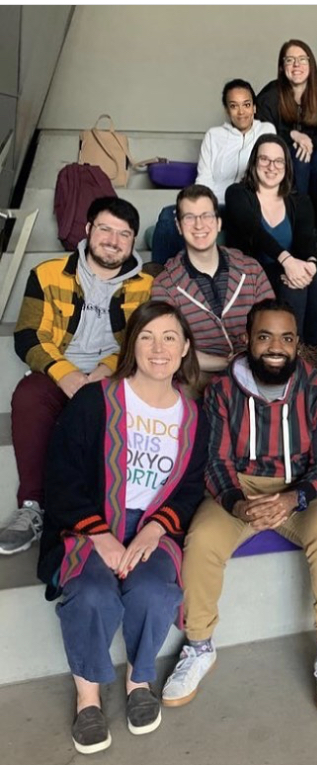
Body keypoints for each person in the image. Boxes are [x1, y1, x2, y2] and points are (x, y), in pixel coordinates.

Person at [160, 299, 317, 718]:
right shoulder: (223, 390)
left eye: (286, 338)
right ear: (247, 339)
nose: (275, 347)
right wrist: (237, 503)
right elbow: (215, 461)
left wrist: (293, 498)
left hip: (303, 489)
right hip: (241, 485)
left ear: (298, 343)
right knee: (203, 539)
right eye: (265, 336)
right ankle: (199, 646)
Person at [38, 300, 209, 754]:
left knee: (155, 591)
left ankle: (138, 681)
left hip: (153, 528)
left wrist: (155, 530)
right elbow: (61, 476)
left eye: (170, 337)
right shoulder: (96, 401)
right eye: (147, 337)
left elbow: (190, 488)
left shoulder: (194, 417)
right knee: (92, 593)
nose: (158, 348)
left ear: (185, 347)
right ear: (132, 344)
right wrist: (100, 534)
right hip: (89, 526)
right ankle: (88, 695)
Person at [0, 198, 152, 557]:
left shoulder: (147, 287)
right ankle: (33, 506)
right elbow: (27, 335)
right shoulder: (48, 273)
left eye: (124, 234)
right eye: (105, 229)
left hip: (113, 377)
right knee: (28, 395)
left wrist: (104, 371)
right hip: (57, 371)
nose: (113, 240)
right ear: (87, 230)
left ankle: (103, 510)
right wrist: (66, 375)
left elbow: (141, 340)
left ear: (132, 242)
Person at [224, 134, 317, 368]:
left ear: (287, 166)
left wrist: (310, 266)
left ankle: (310, 355)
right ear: (254, 164)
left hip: (288, 267)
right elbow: (253, 230)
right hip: (250, 271)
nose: (271, 167)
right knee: (290, 286)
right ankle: (291, 353)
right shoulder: (237, 194)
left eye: (278, 161)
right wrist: (287, 260)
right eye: (264, 160)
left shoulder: (299, 200)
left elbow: (306, 240)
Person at [150, 184, 274, 389]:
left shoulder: (250, 269)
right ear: (179, 226)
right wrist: (227, 363)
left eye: (206, 216)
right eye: (189, 217)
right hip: (200, 377)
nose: (199, 225)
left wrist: (249, 357)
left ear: (218, 223)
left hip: (255, 369)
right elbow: (170, 349)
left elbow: (272, 326)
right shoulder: (165, 285)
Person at [151, 78, 275, 265]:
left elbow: (267, 171)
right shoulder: (214, 136)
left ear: (254, 108)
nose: (241, 112)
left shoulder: (266, 131)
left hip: (246, 206)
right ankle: (161, 280)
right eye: (234, 106)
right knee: (169, 215)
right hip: (216, 206)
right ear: (227, 110)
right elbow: (204, 179)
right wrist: (200, 209)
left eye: (246, 105)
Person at [256, 40, 317, 231]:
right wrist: (293, 135)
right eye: (290, 60)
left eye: (302, 59)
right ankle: (297, 221)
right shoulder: (270, 95)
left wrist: (308, 142)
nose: (297, 65)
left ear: (311, 65)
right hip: (279, 156)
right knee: (298, 161)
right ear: (282, 67)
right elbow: (262, 133)